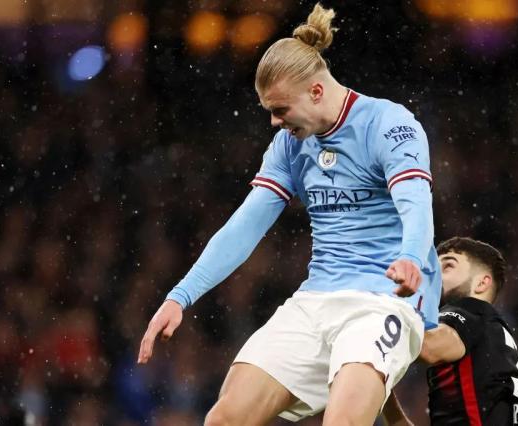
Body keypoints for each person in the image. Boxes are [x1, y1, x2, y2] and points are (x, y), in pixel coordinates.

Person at [138, 3, 441, 425]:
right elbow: (246, 224)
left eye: (280, 110)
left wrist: (409, 255)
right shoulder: (290, 144)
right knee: (224, 419)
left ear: (316, 91)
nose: (274, 122)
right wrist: (181, 296)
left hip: (383, 300)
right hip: (316, 300)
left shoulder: (388, 124)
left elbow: (415, 201)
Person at [383, 237, 518, 426]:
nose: (433, 275)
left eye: (448, 266)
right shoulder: (496, 337)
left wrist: (382, 309)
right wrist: (382, 384)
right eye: (432, 269)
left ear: (481, 284)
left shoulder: (471, 309)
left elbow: (428, 348)